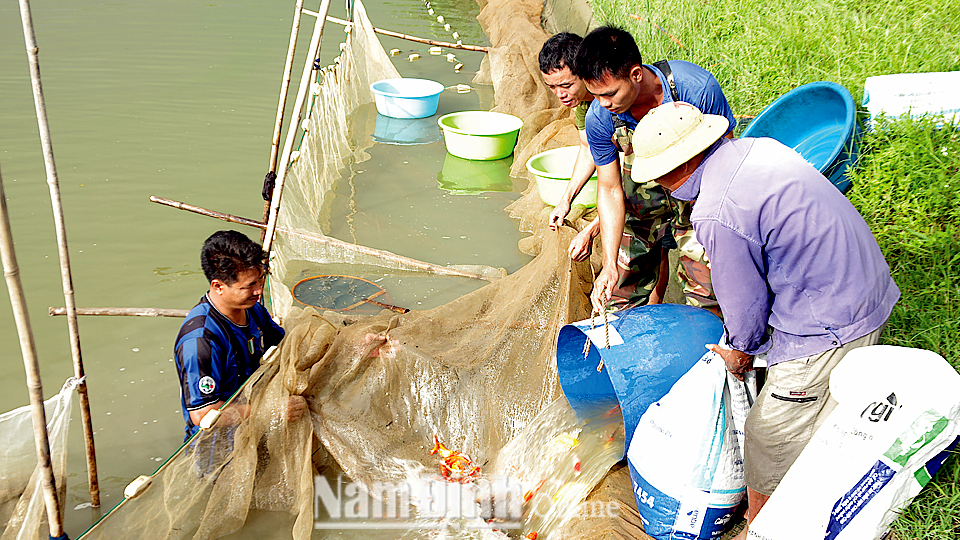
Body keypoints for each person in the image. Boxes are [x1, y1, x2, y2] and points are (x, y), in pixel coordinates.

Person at [623, 102, 900, 537]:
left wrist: (739, 351)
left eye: (660, 174)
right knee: (822, 413)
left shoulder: (716, 210)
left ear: (683, 164)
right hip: (869, 286)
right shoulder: (758, 148)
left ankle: (762, 526)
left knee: (767, 434)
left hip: (829, 322)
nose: (659, 183)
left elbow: (745, 308)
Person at [574, 26, 735, 312]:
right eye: (595, 95)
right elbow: (610, 189)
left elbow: (727, 161)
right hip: (640, 209)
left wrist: (720, 230)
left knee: (712, 294)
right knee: (616, 298)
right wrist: (609, 264)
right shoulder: (600, 117)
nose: (603, 103)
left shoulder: (695, 89)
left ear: (636, 74)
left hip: (697, 202)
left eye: (610, 94)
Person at [174, 230, 306, 441]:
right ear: (218, 286)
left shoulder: (253, 310)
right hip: (217, 446)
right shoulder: (200, 341)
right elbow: (203, 414)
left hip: (255, 425)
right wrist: (270, 410)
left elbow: (286, 344)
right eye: (249, 286)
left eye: (260, 280)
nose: (259, 291)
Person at [538, 32, 599, 262]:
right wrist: (565, 201)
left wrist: (591, 231)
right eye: (552, 87)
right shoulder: (583, 105)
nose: (560, 95)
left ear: (585, 71)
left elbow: (624, 183)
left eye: (566, 85)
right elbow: (587, 148)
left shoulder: (611, 104)